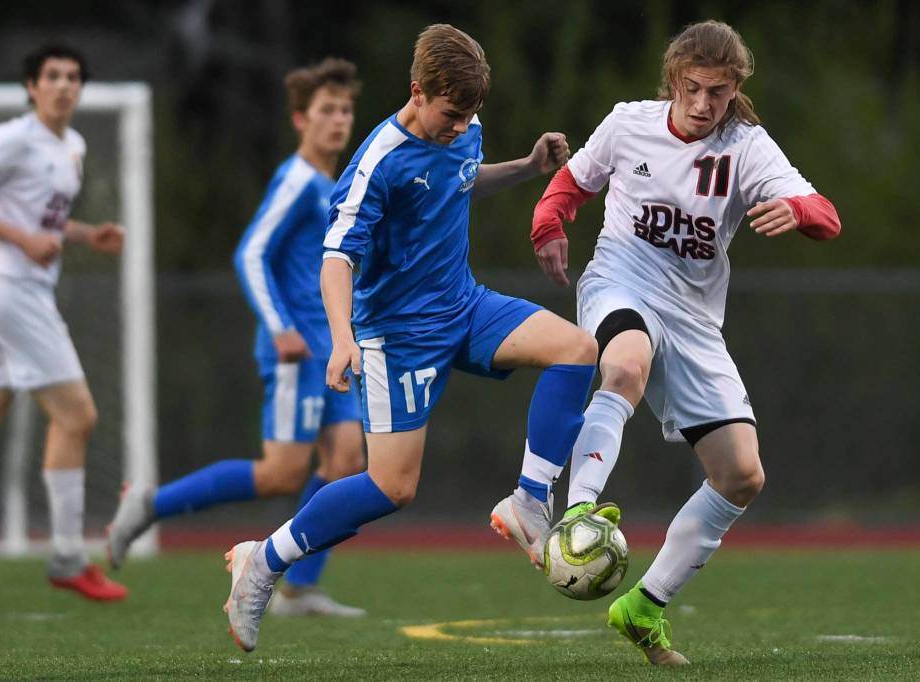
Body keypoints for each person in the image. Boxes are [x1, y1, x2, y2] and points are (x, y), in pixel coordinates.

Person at [222, 23, 599, 652]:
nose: (461, 126)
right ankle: (264, 560)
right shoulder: (377, 162)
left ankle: (530, 502)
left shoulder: (465, 127)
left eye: (471, 115)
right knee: (392, 487)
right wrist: (341, 338)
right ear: (418, 91)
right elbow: (336, 258)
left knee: (578, 350)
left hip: (465, 305)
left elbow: (461, 179)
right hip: (396, 336)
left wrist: (530, 167)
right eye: (451, 114)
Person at [531, 20, 841, 665]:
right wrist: (548, 225)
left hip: (696, 318)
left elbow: (827, 216)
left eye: (719, 93)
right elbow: (571, 185)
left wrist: (800, 212)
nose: (704, 105)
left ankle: (644, 606)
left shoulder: (746, 146)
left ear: (735, 90)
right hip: (620, 279)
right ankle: (577, 513)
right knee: (624, 366)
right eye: (694, 89)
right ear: (674, 79)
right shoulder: (628, 123)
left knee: (741, 475)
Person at [106, 59, 367, 617]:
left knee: (347, 458)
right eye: (326, 110)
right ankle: (150, 505)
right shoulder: (297, 178)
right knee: (281, 474)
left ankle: (299, 589)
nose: (338, 120)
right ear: (300, 119)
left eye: (345, 110)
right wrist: (280, 328)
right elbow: (250, 252)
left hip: (331, 346)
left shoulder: (331, 184)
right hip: (298, 348)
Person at [0, 44, 128, 601]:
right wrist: (20, 240)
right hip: (9, 292)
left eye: (73, 77)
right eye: (53, 76)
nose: (64, 85)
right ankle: (66, 557)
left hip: (21, 292)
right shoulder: (12, 138)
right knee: (78, 416)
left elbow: (40, 220)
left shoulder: (73, 146)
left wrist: (87, 235)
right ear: (32, 87)